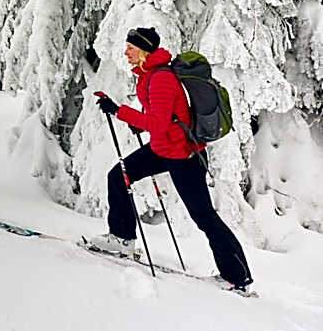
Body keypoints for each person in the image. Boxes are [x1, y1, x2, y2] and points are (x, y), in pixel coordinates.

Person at [91, 27, 253, 292]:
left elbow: (160, 122)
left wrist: (120, 111)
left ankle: (237, 277)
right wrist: (135, 120)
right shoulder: (149, 75)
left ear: (143, 51)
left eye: (131, 48)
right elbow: (162, 118)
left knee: (204, 216)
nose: (126, 52)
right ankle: (121, 238)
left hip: (183, 155)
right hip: (163, 148)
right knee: (118, 175)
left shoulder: (161, 79)